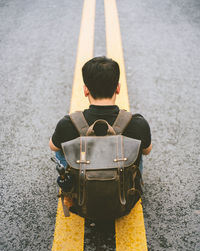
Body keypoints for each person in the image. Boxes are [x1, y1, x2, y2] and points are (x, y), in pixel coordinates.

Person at [49, 56, 152, 187]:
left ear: (86, 90)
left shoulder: (67, 123)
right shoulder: (137, 123)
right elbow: (147, 151)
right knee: (138, 147)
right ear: (118, 88)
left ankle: (73, 185)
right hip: (124, 196)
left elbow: (53, 146)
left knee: (60, 147)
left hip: (82, 195)